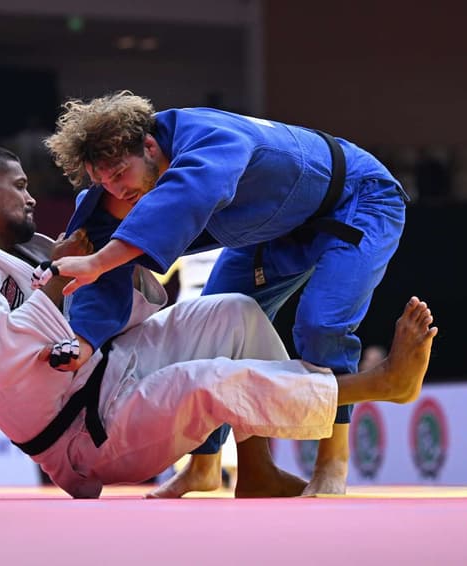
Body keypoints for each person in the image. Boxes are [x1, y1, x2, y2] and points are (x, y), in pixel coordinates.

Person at [0, 145, 438, 499]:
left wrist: (113, 265)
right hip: (82, 434)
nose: (31, 197)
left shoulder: (32, 249)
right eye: (20, 186)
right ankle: (376, 385)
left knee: (233, 312)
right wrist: (57, 280)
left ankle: (255, 469)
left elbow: (131, 312)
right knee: (204, 382)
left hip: (109, 372)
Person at [43, 91, 411, 496]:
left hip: (356, 200)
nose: (116, 190)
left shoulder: (210, 137)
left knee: (321, 324)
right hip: (272, 228)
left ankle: (332, 462)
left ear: (149, 146)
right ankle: (212, 467)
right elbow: (99, 260)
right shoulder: (120, 189)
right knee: (215, 324)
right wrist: (82, 340)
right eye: (103, 182)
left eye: (119, 174)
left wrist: (99, 261)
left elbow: (183, 197)